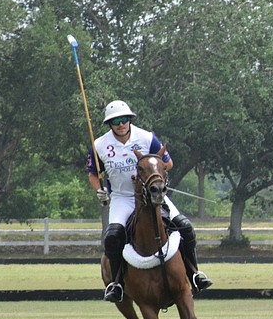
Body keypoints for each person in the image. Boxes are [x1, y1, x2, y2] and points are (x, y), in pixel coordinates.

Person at [87, 100, 213, 303]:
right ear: (109, 124)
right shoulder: (100, 145)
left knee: (185, 226)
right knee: (113, 236)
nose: (121, 124)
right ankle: (117, 284)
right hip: (122, 197)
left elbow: (168, 163)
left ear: (130, 120)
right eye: (116, 121)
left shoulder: (146, 138)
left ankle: (194, 274)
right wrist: (99, 190)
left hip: (152, 195)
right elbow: (93, 173)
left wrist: (153, 177)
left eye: (124, 119)